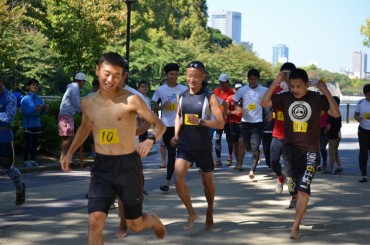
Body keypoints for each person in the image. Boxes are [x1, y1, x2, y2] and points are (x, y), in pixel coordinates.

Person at [60, 52, 166, 244]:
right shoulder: (88, 102)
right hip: (102, 166)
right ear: (97, 70)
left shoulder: (131, 99)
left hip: (127, 165)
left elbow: (159, 124)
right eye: (107, 73)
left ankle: (150, 219)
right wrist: (69, 153)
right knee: (94, 222)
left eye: (117, 75)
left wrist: (150, 139)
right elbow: (85, 127)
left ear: (122, 76)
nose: (111, 79)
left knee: (134, 224)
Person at [261, 68, 340, 239]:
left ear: (307, 85)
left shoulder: (317, 98)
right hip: (289, 151)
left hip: (310, 152)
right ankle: (300, 211)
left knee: (303, 190)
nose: (295, 90)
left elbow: (335, 113)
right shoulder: (285, 97)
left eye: (299, 86)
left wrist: (325, 90)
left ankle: (295, 226)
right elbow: (264, 102)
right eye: (293, 86)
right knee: (294, 189)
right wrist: (276, 82)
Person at [171, 61, 224, 230]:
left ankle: (209, 210)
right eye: (188, 76)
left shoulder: (210, 97)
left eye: (195, 76)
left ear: (203, 77)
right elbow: (178, 116)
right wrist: (176, 134)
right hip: (185, 145)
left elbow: (220, 123)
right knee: (178, 179)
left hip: (203, 147)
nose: (191, 80)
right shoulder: (182, 96)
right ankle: (191, 212)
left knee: (207, 184)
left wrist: (201, 121)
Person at [152, 63, 187, 192]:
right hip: (166, 126)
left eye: (176, 74)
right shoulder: (160, 90)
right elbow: (153, 105)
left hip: (182, 125)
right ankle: (171, 179)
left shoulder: (184, 89)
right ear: (166, 75)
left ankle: (169, 181)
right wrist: (162, 107)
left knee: (178, 154)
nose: (174, 77)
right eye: (171, 74)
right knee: (172, 153)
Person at [269, 62, 296, 204]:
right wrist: (271, 112)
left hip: (293, 136)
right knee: (273, 161)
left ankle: (294, 195)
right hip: (278, 133)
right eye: (283, 74)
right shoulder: (276, 89)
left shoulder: (298, 90)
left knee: (290, 167)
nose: (286, 77)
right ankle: (280, 177)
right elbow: (266, 101)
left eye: (289, 74)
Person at [233, 68, 267, 179]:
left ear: (258, 79)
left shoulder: (264, 90)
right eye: (251, 79)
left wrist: (270, 111)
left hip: (258, 123)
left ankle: (252, 170)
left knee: (255, 146)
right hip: (245, 122)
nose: (253, 81)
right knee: (244, 144)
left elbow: (271, 100)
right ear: (248, 79)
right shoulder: (242, 90)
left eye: (255, 79)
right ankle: (256, 151)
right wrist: (240, 109)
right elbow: (234, 103)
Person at [0, 77, 26, 206]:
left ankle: (20, 187)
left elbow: (8, 118)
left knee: (7, 168)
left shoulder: (10, 98)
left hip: (3, 138)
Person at [58, 72, 87, 162]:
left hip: (66, 114)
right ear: (81, 81)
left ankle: (64, 156)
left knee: (67, 137)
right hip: (66, 115)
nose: (84, 84)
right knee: (69, 137)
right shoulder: (75, 88)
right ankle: (63, 156)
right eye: (84, 82)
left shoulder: (72, 87)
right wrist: (84, 111)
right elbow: (76, 103)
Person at [20, 78, 49, 167]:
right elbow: (25, 112)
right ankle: (26, 161)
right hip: (28, 124)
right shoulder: (25, 99)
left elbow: (41, 114)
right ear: (28, 87)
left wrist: (45, 110)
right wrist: (34, 109)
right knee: (28, 143)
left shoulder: (39, 99)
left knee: (35, 143)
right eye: (33, 85)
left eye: (36, 85)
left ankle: (33, 160)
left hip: (37, 124)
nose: (35, 87)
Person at [213, 73, 235, 167]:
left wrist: (227, 114)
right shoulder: (216, 91)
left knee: (229, 139)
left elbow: (233, 106)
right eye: (221, 82)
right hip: (218, 119)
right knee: (217, 139)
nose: (222, 84)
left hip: (228, 120)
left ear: (227, 82)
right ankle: (218, 159)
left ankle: (230, 157)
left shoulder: (232, 92)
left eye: (224, 82)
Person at [225, 81, 245, 170]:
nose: (238, 90)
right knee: (235, 144)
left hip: (244, 124)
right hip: (233, 124)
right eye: (237, 89)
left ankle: (240, 163)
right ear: (234, 89)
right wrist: (232, 112)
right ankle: (237, 161)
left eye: (240, 89)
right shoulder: (230, 98)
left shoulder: (246, 98)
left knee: (242, 143)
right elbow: (224, 111)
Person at [354, 84, 370, 183]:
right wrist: (358, 118)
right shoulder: (360, 103)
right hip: (363, 130)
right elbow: (356, 114)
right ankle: (364, 175)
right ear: (365, 94)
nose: (369, 97)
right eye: (368, 95)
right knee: (363, 153)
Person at [323, 96, 343, 174]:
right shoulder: (338, 113)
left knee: (332, 153)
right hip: (338, 134)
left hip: (332, 136)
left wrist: (325, 131)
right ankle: (339, 166)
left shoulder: (331, 114)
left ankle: (330, 169)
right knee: (335, 152)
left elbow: (328, 126)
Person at [87, 79, 100, 158]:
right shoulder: (90, 96)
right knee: (92, 137)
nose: (96, 88)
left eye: (97, 86)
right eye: (94, 86)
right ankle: (93, 152)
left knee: (99, 136)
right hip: (92, 118)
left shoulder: (103, 95)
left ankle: (99, 152)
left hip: (101, 118)